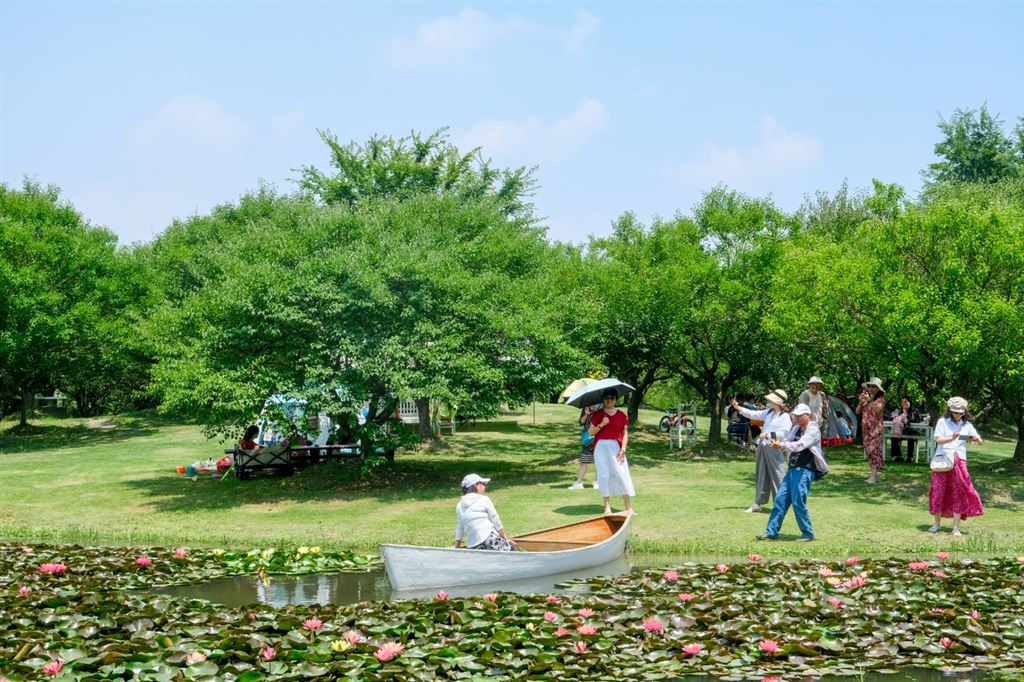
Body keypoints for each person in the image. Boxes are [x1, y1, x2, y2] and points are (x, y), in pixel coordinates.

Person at [756, 404, 827, 542]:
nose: (797, 418)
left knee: (798, 501)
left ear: (808, 415)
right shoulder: (796, 428)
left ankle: (808, 533)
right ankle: (771, 532)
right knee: (780, 500)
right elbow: (787, 441)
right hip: (793, 469)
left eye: (800, 416)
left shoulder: (813, 430)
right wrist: (777, 443)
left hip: (806, 469)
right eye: (796, 416)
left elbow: (800, 445)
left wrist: (782, 445)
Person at [928, 397, 984, 536]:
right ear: (950, 411)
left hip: (959, 462)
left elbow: (979, 441)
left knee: (958, 493)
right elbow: (938, 440)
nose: (958, 415)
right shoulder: (942, 422)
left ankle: (956, 528)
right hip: (943, 460)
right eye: (955, 412)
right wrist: (951, 438)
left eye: (960, 413)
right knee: (938, 491)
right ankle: (936, 525)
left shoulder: (967, 425)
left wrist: (976, 439)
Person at [731, 389, 792, 513]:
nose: (769, 402)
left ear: (778, 402)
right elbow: (753, 414)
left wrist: (768, 435)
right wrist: (738, 408)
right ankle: (758, 503)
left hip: (774, 447)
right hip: (763, 446)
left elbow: (784, 433)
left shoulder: (785, 417)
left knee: (777, 475)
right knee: (761, 474)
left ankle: (780, 505)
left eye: (771, 400)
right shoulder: (769, 412)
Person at [589, 388, 635, 516]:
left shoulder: (621, 415)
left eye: (611, 398)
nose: (609, 400)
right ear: (603, 400)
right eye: (606, 398)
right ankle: (607, 507)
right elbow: (590, 432)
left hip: (616, 447)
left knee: (622, 474)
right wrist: (602, 424)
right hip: (601, 447)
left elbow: (625, 433)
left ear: (616, 399)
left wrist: (623, 449)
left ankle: (628, 507)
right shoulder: (597, 415)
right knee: (604, 475)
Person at [454, 474, 518, 551]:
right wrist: (506, 539)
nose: (485, 486)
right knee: (513, 548)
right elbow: (496, 520)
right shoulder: (484, 499)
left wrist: (456, 548)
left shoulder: (459, 505)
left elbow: (460, 527)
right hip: (489, 538)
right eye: (483, 484)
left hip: (473, 545)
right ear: (476, 485)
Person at [855, 378, 886, 484]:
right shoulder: (866, 399)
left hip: (876, 429)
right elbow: (857, 411)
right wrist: (861, 401)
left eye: (874, 387)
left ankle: (873, 476)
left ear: (878, 389)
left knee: (873, 451)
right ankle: (873, 474)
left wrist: (870, 400)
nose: (871, 389)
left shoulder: (880, 399)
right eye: (869, 386)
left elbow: (878, 409)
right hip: (866, 430)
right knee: (869, 451)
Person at [568, 404, 601, 490]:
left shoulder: (602, 409)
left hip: (598, 438)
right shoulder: (586, 407)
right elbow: (581, 422)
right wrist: (586, 414)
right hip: (588, 439)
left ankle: (598, 482)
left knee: (598, 461)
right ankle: (578, 483)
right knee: (584, 461)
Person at [890, 396, 921, 463]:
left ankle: (909, 457)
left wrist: (905, 414)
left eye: (905, 401)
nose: (904, 403)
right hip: (903, 431)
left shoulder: (914, 410)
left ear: (909, 402)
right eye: (902, 402)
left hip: (913, 431)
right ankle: (897, 456)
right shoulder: (900, 410)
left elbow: (913, 421)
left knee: (910, 436)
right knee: (893, 437)